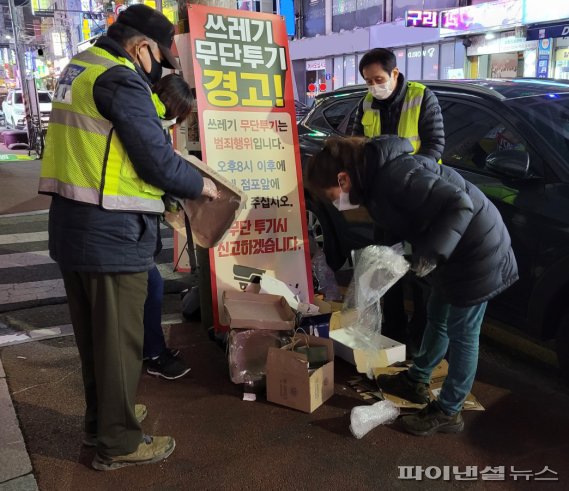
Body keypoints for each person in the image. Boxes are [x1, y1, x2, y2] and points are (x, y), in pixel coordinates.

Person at [39, 5, 218, 471]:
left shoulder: (79, 67)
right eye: (159, 61)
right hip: (109, 233)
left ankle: (104, 420)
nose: (158, 71)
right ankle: (117, 442)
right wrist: (202, 185)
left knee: (97, 342)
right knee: (119, 345)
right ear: (142, 48)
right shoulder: (120, 78)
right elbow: (156, 160)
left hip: (74, 228)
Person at [304, 135, 518, 437]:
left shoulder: (396, 175)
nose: (334, 203)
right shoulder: (374, 181)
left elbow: (460, 205)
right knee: (437, 315)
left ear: (343, 178)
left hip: (477, 251)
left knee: (463, 332)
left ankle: (449, 410)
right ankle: (417, 378)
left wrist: (430, 253)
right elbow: (401, 221)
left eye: (331, 195)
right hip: (452, 252)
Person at [352, 48, 445, 350]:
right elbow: (356, 147)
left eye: (378, 79)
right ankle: (392, 334)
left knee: (420, 273)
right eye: (368, 81)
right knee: (384, 269)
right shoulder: (366, 103)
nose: (373, 87)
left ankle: (419, 338)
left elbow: (434, 146)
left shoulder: (421, 97)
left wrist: (407, 178)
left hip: (419, 202)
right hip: (385, 205)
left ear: (394, 73)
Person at [142, 74, 196, 381]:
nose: (177, 120)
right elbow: (162, 172)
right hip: (127, 227)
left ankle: (150, 348)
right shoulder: (147, 124)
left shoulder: (151, 121)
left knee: (150, 288)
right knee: (152, 287)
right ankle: (153, 352)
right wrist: (196, 186)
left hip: (137, 224)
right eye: (178, 112)